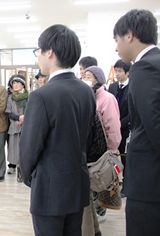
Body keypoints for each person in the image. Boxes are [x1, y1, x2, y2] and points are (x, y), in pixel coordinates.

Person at [19, 24, 95, 235]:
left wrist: (28, 176)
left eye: (38, 51)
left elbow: (29, 147)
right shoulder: (86, 91)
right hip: (77, 182)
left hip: (49, 189)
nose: (38, 57)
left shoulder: (42, 95)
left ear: (49, 52)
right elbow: (87, 138)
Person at [114, 9, 160, 236]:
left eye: (117, 40)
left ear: (129, 35)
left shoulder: (145, 67)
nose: (116, 47)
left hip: (148, 180)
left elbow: (153, 122)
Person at [81, 65, 121, 236]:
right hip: (88, 153)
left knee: (100, 187)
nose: (86, 79)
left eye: (89, 76)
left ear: (98, 79)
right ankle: (95, 227)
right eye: (84, 75)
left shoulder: (107, 98)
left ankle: (98, 218)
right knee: (88, 193)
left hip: (102, 153)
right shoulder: (85, 96)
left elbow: (112, 126)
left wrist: (112, 151)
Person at [108, 59, 132, 198]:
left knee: (124, 157)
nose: (116, 74)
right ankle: (112, 182)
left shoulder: (133, 87)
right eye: (115, 70)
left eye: (119, 71)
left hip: (124, 127)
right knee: (111, 156)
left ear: (127, 72)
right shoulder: (112, 87)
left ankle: (126, 185)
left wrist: (121, 123)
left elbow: (132, 111)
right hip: (112, 127)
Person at [5, 74, 28, 183]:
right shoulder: (10, 97)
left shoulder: (30, 96)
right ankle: (17, 171)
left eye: (18, 83)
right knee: (15, 150)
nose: (16, 85)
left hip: (27, 127)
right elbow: (8, 112)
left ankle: (25, 172)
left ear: (23, 84)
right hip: (14, 126)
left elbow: (33, 110)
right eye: (14, 83)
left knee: (25, 151)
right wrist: (18, 118)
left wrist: (24, 118)